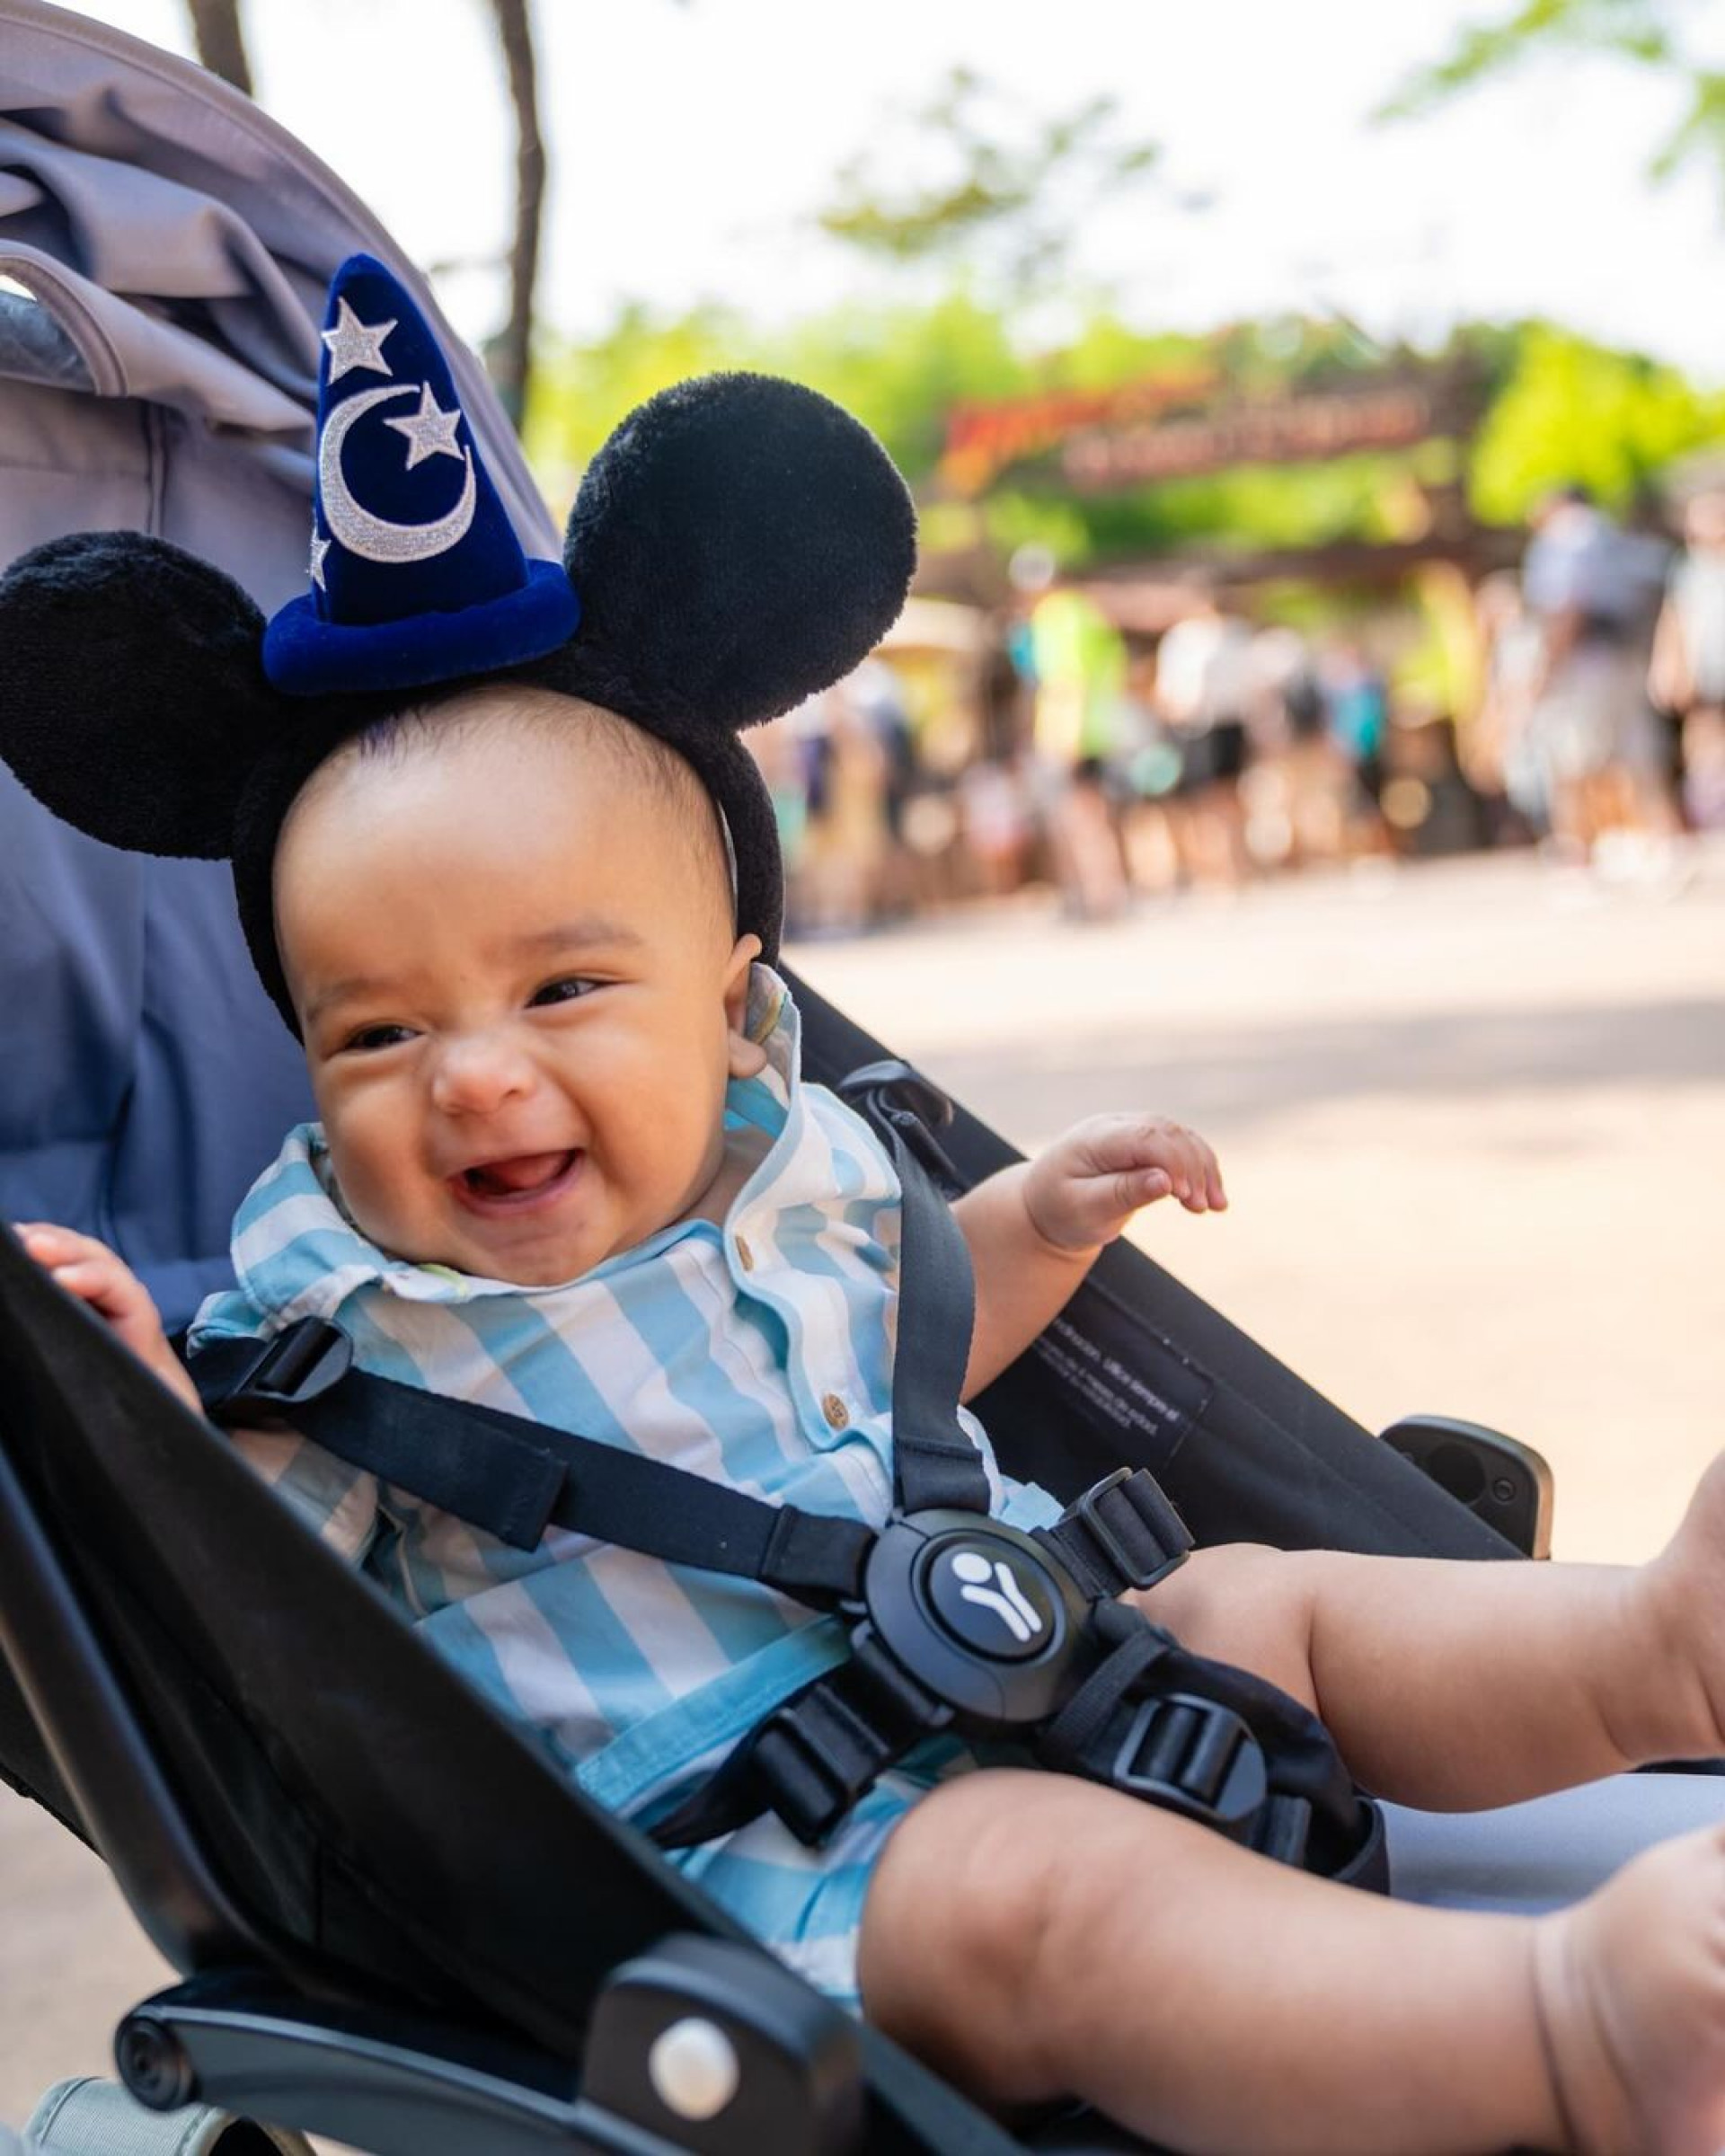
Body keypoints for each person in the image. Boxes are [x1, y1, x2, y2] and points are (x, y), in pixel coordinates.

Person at [9, 257, 1725, 2155]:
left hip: (1068, 1661)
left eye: (562, 991)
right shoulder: (346, 1332)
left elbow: (912, 1339)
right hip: (773, 1878)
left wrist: (1038, 1230)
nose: (475, 1075)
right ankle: (1577, 2030)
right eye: (380, 1030)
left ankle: (1661, 1649)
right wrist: (149, 1427)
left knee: (1263, 1597)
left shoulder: (806, 1166)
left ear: (740, 1009)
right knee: (1037, 1898)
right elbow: (263, 1617)